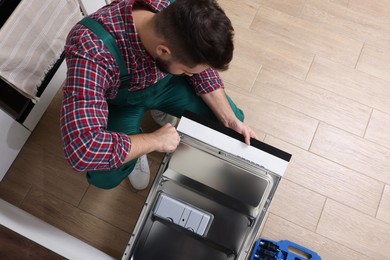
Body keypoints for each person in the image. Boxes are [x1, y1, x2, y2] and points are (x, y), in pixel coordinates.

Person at [60, 0, 257, 191]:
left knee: (228, 126)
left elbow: (199, 64)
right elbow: (82, 150)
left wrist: (229, 118)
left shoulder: (180, 11)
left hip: (165, 83)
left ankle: (159, 116)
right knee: (105, 176)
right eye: (188, 71)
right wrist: (153, 141)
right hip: (122, 102)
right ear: (163, 50)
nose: (192, 75)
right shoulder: (90, 49)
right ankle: (136, 141)